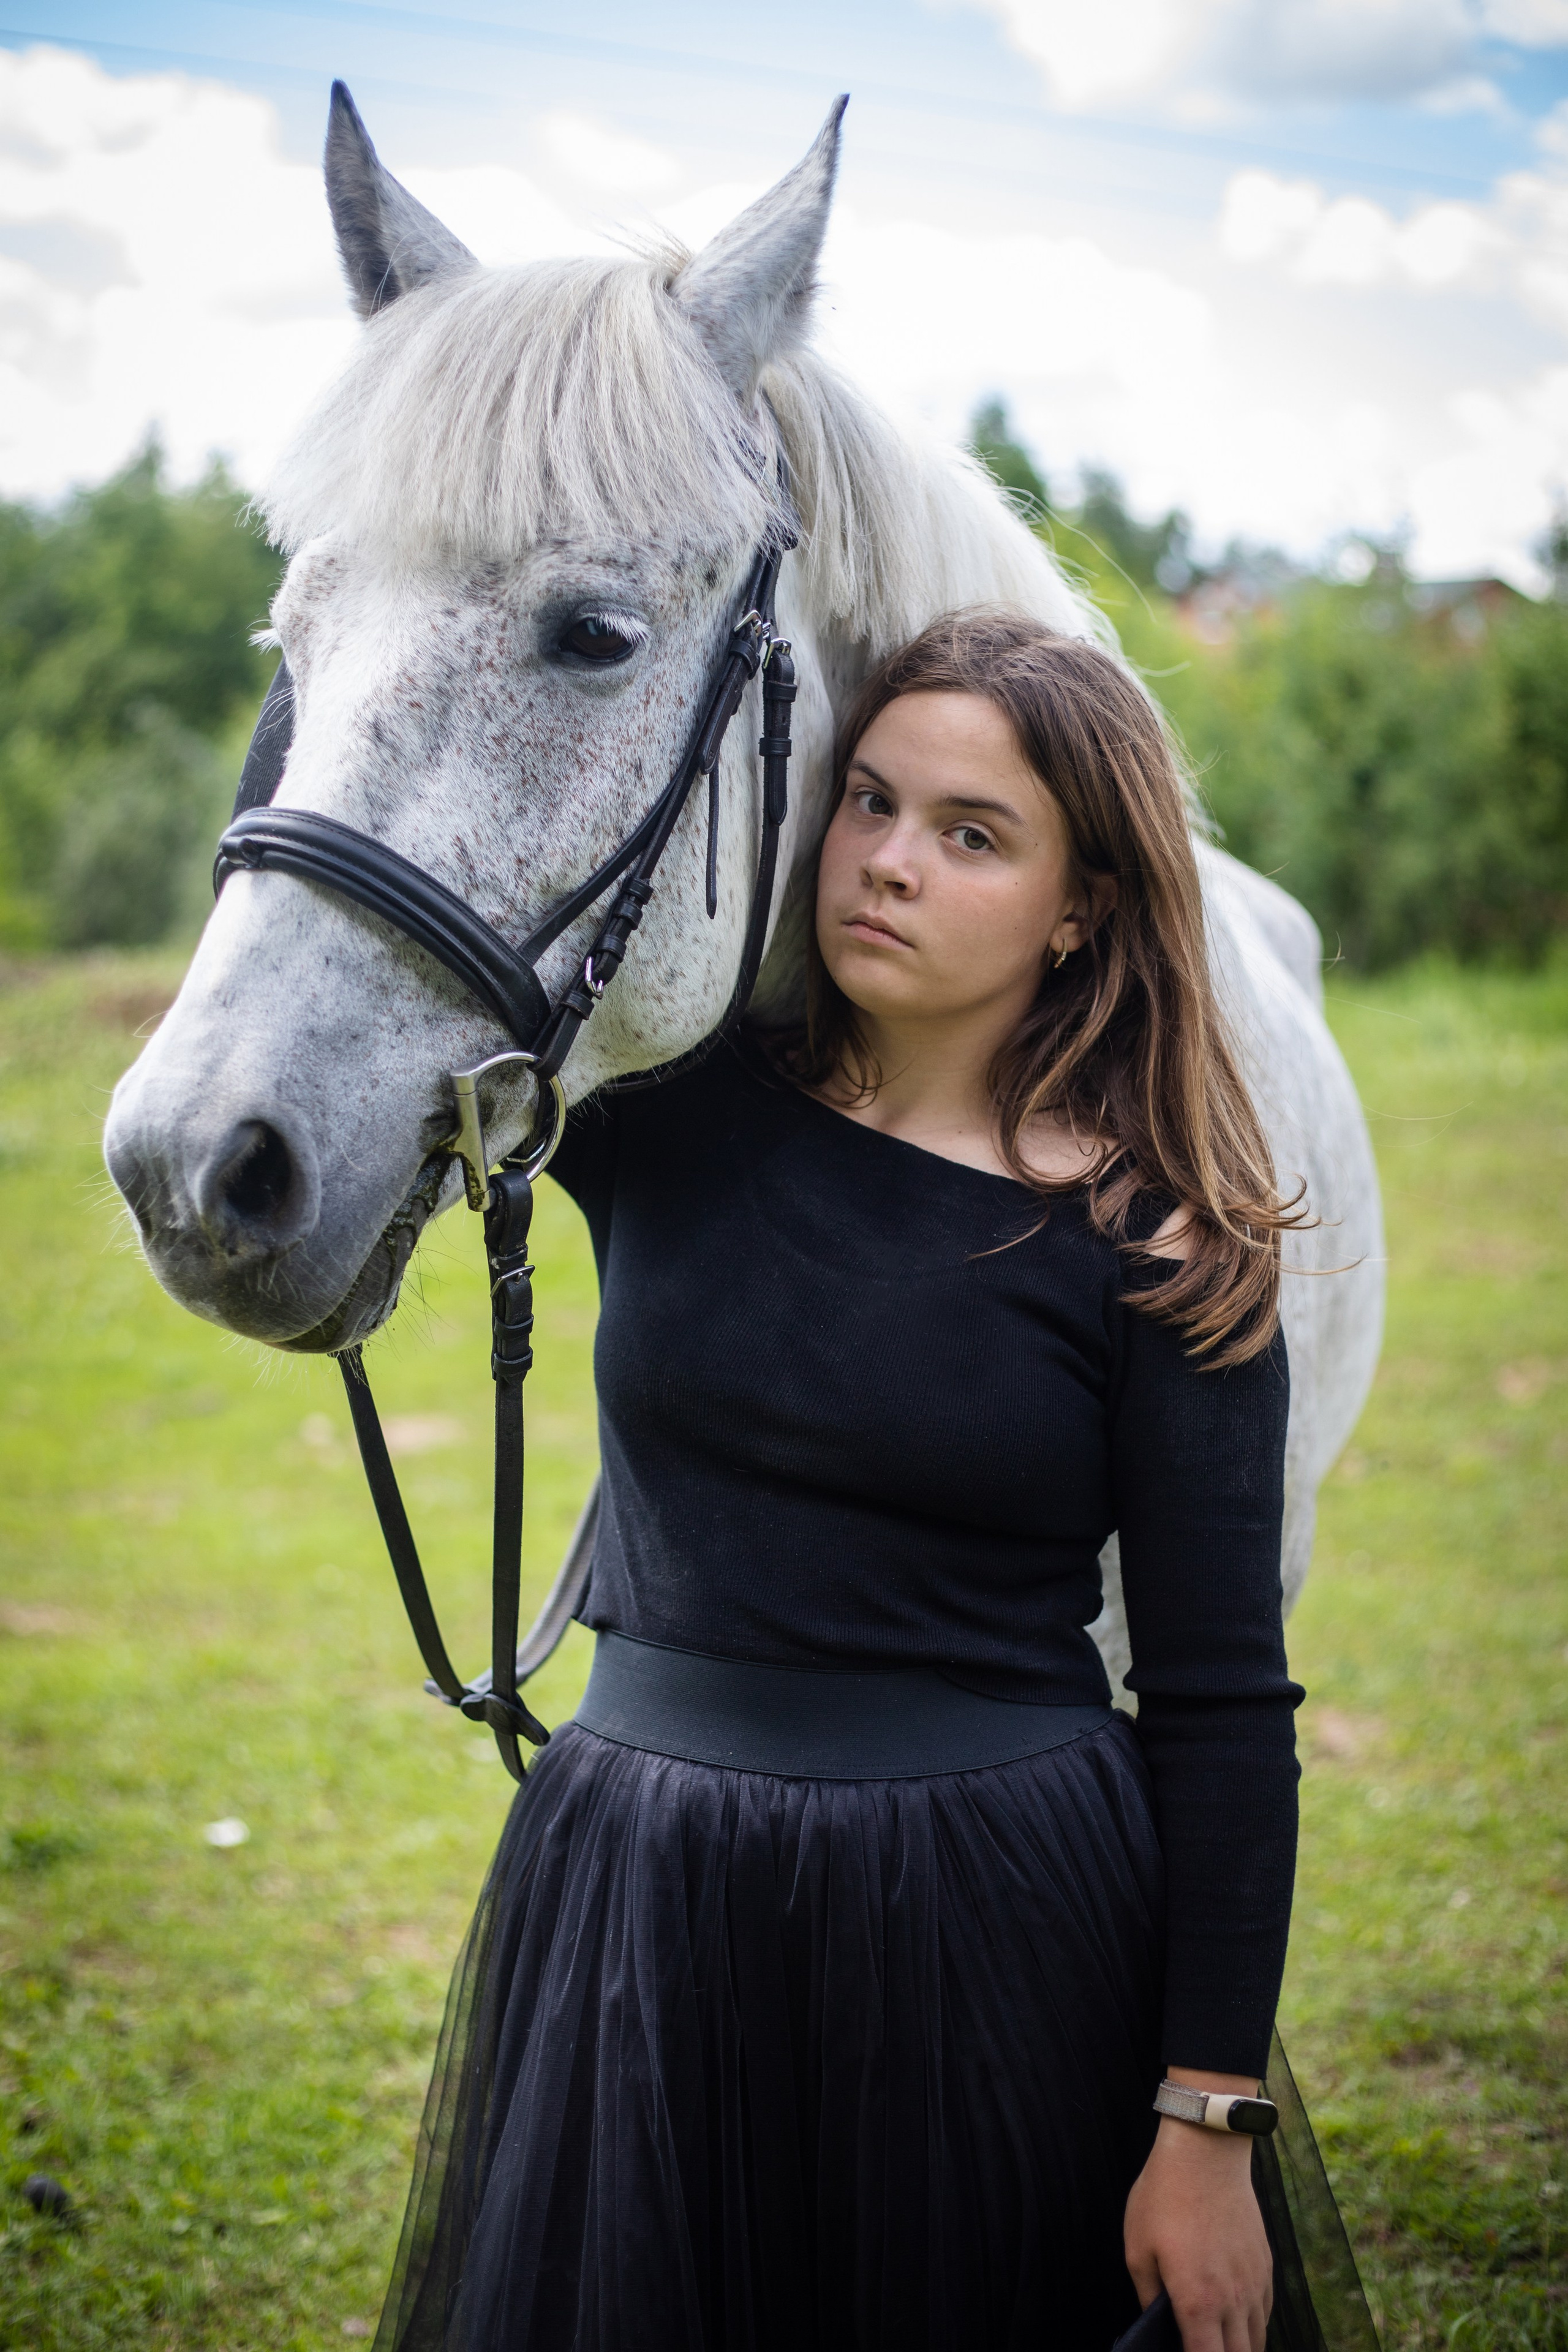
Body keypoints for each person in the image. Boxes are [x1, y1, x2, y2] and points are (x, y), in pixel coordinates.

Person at [375, 611, 1375, 2352]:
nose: (890, 864)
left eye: (970, 835)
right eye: (870, 802)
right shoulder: (656, 1118)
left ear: (1081, 906)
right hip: (637, 1883)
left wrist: (1207, 2120)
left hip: (987, 1918)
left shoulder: (1159, 1249)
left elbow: (1222, 1705)